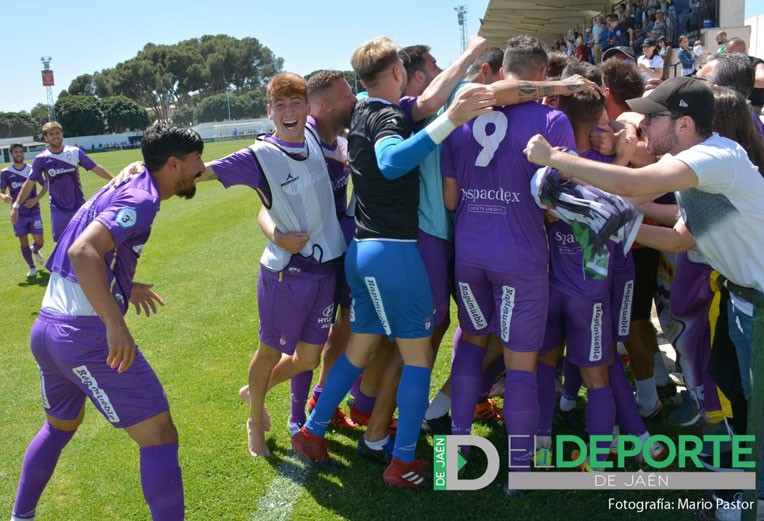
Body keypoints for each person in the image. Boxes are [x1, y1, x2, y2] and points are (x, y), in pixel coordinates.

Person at [523, 76, 764, 516]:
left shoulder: (713, 156)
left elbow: (636, 187)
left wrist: (556, 158)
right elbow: (680, 239)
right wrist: (618, 224)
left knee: (754, 404)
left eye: (653, 118)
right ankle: (741, 491)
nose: (643, 127)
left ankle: (750, 497)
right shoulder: (703, 172)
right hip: (742, 302)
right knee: (739, 399)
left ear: (685, 124)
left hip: (758, 304)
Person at [291, 35, 495, 488]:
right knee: (418, 358)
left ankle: (312, 430)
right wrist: (449, 123)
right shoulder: (386, 115)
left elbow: (430, 98)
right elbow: (390, 161)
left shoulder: (368, 106)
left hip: (364, 252)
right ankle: (402, 460)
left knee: (361, 348)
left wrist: (472, 53)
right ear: (397, 73)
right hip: (394, 254)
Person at [10, 122, 205, 521]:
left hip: (47, 327)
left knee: (60, 427)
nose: (200, 168)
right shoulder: (143, 195)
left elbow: (85, 248)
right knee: (160, 436)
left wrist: (123, 287)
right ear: (172, 164)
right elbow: (84, 251)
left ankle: (20, 517)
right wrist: (115, 323)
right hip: (83, 335)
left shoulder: (124, 182)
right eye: (196, 160)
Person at [441, 34, 576, 494]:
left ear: (503, 74)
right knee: (521, 363)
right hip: (519, 256)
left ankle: (459, 448)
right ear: (542, 77)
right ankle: (519, 471)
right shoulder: (553, 120)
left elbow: (449, 197)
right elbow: (561, 202)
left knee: (471, 342)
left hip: (470, 255)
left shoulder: (461, 117)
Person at [200, 72, 349, 458]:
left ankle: (255, 390)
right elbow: (201, 172)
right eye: (279, 105)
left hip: (325, 268)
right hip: (286, 273)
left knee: (309, 357)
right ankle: (254, 422)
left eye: (296, 103)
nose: (289, 111)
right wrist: (141, 169)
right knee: (269, 352)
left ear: (307, 109)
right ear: (269, 112)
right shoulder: (259, 155)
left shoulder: (314, 136)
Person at [10, 122, 113, 241]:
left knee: (85, 243)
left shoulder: (74, 152)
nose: (55, 136)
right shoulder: (41, 158)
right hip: (58, 210)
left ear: (62, 134)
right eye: (51, 134)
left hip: (79, 207)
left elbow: (96, 168)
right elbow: (29, 183)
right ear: (45, 138)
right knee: (62, 245)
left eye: (57, 133)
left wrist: (116, 179)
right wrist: (16, 206)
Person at [0, 143, 47, 278]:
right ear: (12, 154)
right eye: (16, 152)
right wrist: (4, 197)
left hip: (34, 211)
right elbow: (1, 192)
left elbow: (45, 186)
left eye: (21, 151)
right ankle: (32, 267)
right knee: (23, 241)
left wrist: (36, 199)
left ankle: (35, 249)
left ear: (23, 153)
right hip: (18, 213)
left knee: (40, 241)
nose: (19, 154)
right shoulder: (6, 172)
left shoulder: (33, 170)